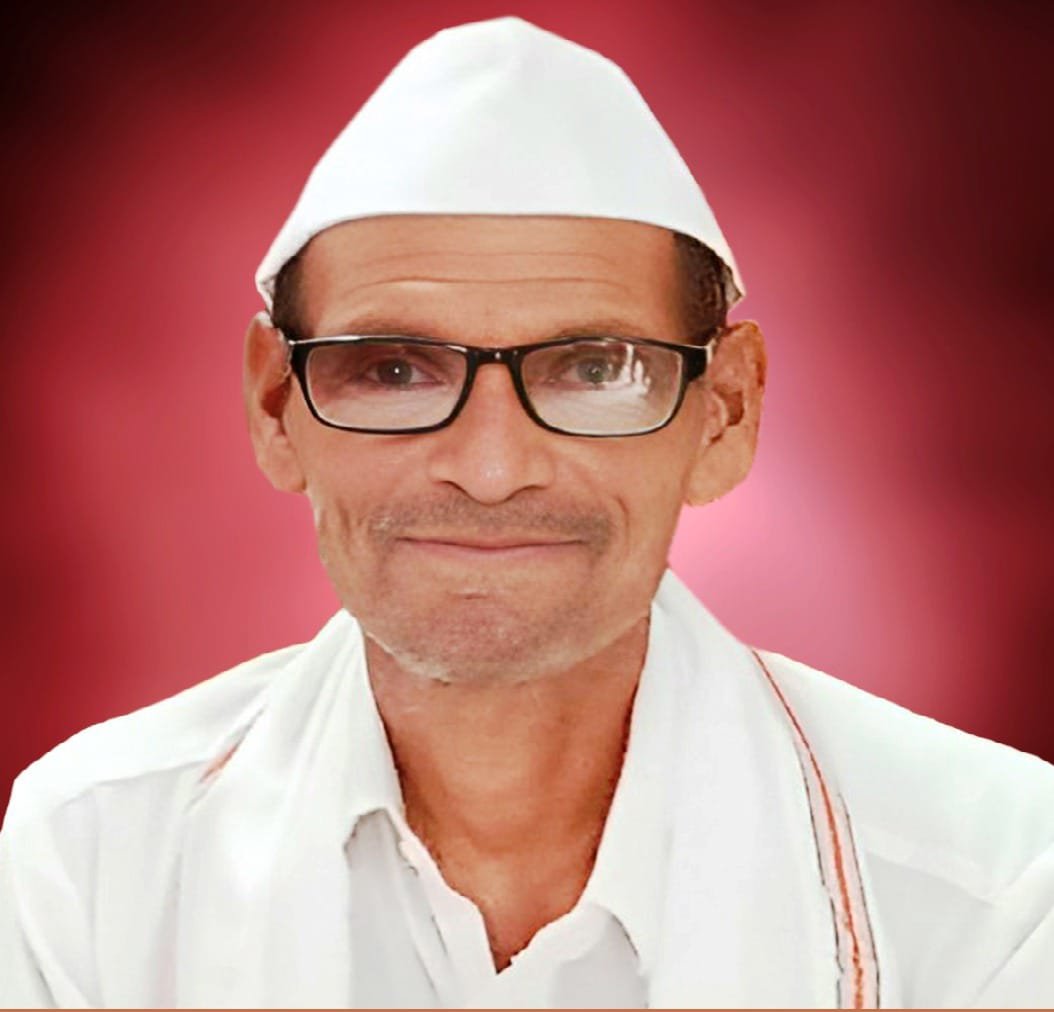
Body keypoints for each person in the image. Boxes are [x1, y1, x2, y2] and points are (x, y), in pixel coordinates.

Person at [1, 15, 1051, 1009]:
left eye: (595, 368)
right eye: (395, 368)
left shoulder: (995, 885)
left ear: (724, 413)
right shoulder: (95, 856)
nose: (492, 468)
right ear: (276, 405)